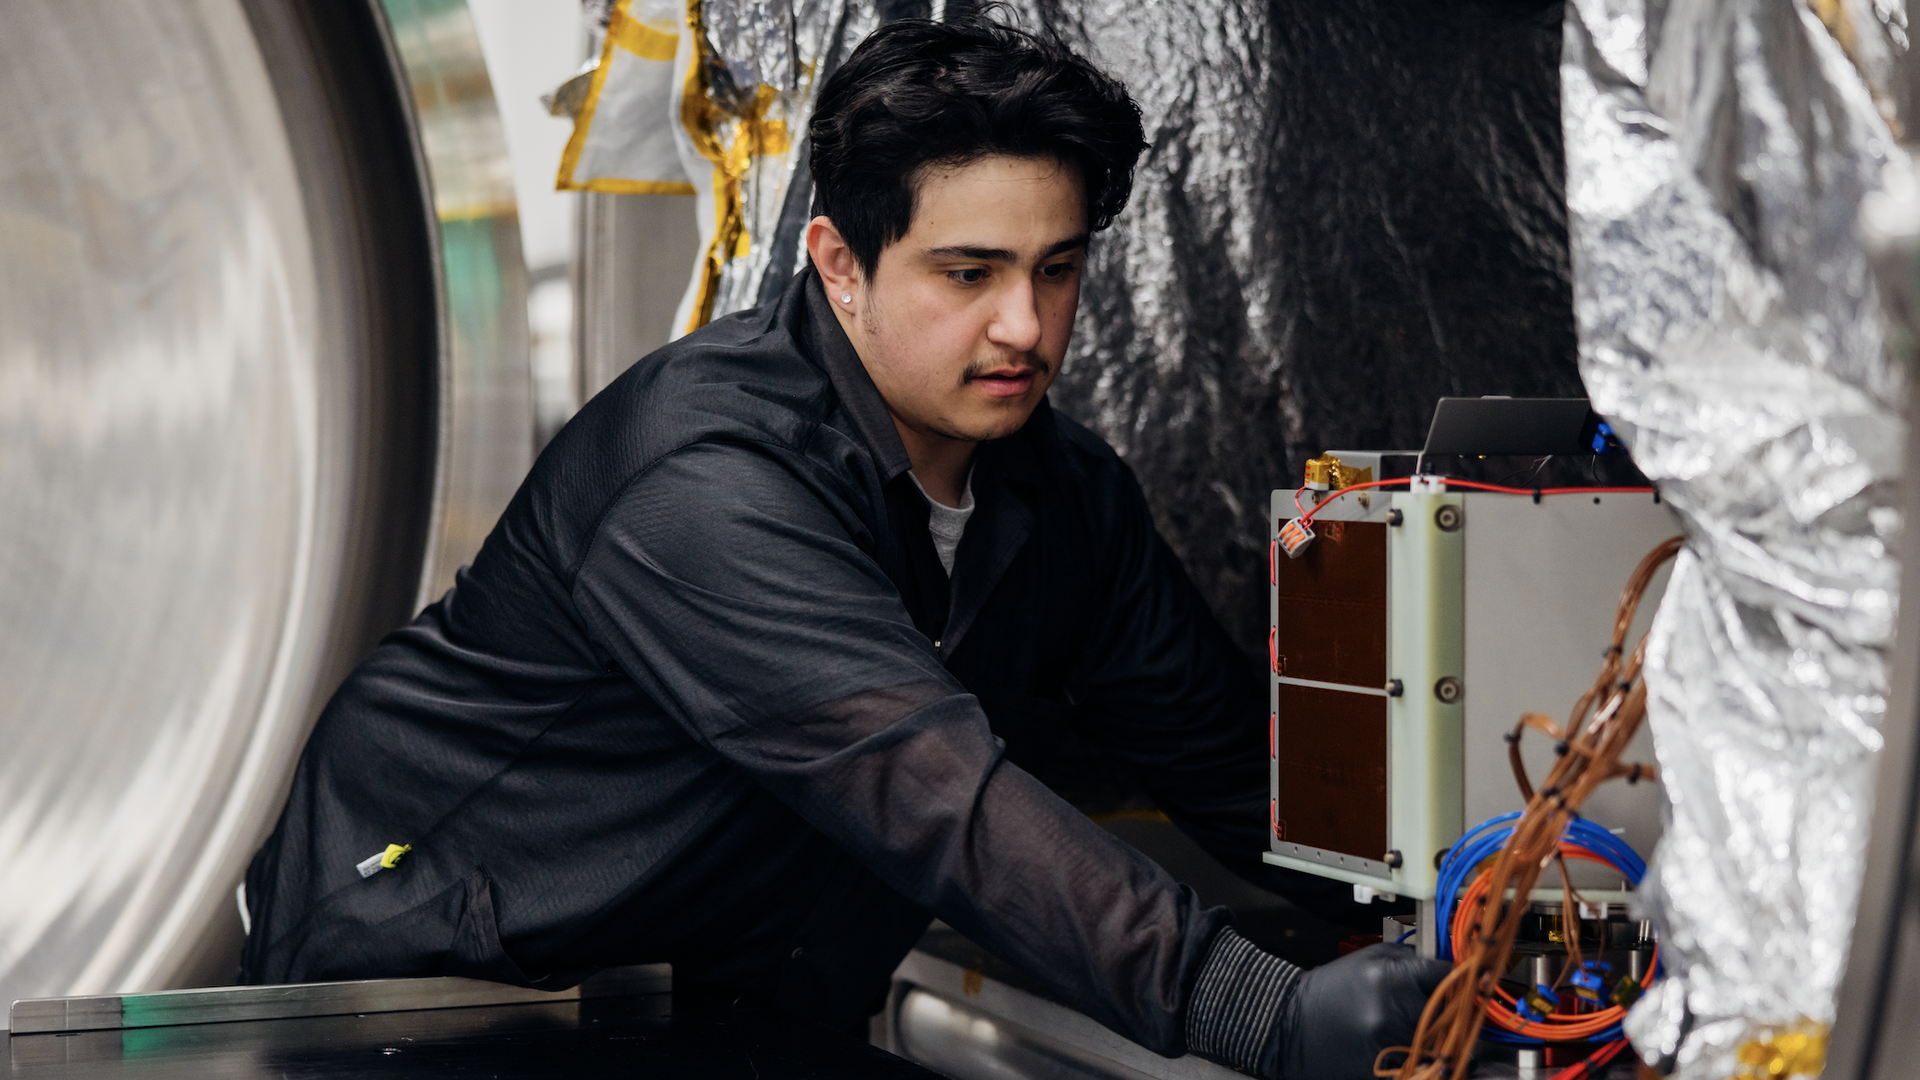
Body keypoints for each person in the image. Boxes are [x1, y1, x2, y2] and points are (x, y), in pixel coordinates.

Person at [240, 15, 1446, 1080]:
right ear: (838, 265)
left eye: (1058, 270)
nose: (1024, 326)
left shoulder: (1066, 498)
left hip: (703, 1000)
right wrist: (1259, 1012)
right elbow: (929, 791)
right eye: (967, 274)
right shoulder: (701, 481)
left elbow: (1234, 768)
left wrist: (1464, 918)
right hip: (424, 985)